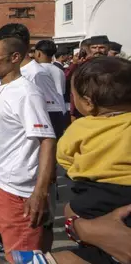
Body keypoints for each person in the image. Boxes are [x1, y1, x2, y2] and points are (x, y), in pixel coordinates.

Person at [0, 32, 56, 263]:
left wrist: (40, 192)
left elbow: (47, 139)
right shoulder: (0, 86)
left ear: (15, 57)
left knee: (24, 254)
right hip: (0, 178)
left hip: (20, 188)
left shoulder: (26, 93)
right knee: (9, 243)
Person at [50, 57, 130, 264]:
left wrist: (82, 167)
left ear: (87, 102)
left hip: (93, 196)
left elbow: (65, 158)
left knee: (91, 237)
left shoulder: (81, 127)